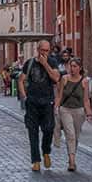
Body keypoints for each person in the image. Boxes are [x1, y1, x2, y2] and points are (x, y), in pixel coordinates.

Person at [18, 40, 60, 172]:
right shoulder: (29, 63)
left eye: (48, 51)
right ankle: (35, 160)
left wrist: (45, 64)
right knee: (33, 131)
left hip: (47, 102)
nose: (45, 53)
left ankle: (46, 151)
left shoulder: (52, 62)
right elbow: (21, 80)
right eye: (43, 50)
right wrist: (24, 97)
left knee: (49, 129)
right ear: (38, 50)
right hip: (32, 102)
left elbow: (56, 78)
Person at [56, 57, 92, 172]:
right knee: (70, 134)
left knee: (75, 137)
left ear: (80, 68)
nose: (72, 69)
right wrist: (55, 107)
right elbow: (60, 95)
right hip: (65, 109)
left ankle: (72, 156)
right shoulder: (64, 79)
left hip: (79, 111)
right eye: (70, 66)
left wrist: (89, 113)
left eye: (75, 66)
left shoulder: (84, 81)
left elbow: (86, 100)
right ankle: (71, 161)